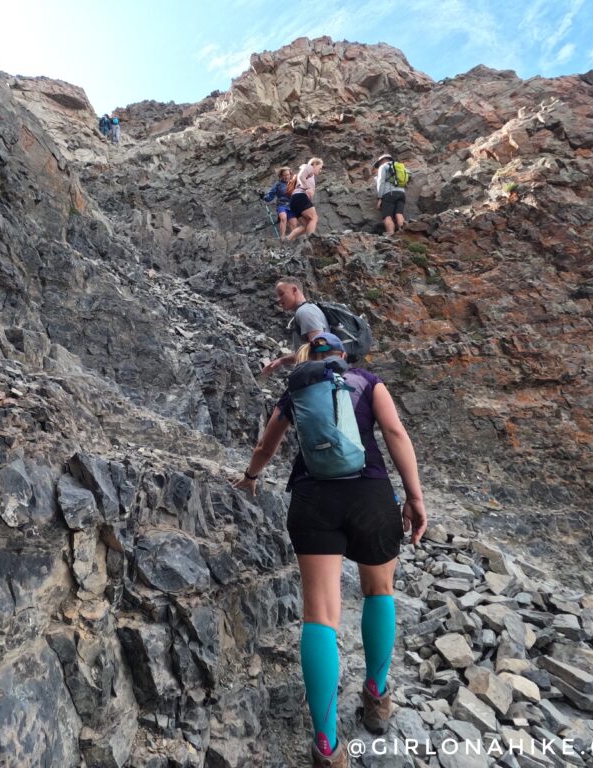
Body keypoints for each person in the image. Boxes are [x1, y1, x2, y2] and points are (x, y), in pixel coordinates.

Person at [234, 333, 427, 766]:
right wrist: (415, 498)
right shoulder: (368, 381)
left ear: (309, 357)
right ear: (344, 355)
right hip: (371, 496)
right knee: (379, 591)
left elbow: (268, 444)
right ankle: (376, 693)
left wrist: (250, 477)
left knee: (319, 616)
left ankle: (326, 744)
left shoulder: (297, 387)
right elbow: (394, 432)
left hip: (313, 500)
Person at [259, 277, 329, 377]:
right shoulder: (310, 309)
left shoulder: (305, 312)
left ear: (294, 290)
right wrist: (281, 361)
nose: (278, 300)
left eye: (281, 294)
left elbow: (320, 347)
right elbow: (310, 350)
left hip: (318, 379)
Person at [286, 157, 324, 241]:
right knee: (314, 218)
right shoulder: (309, 167)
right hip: (300, 197)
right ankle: (312, 240)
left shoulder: (311, 175)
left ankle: (287, 240)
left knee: (306, 225)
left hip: (294, 200)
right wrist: (308, 188)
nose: (320, 171)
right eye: (320, 168)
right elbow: (300, 176)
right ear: (315, 164)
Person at [261, 167, 299, 239]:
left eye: (287, 175)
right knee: (283, 218)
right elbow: (270, 195)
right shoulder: (278, 184)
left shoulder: (294, 183)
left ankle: (294, 242)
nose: (286, 177)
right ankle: (282, 238)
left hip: (292, 206)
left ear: (290, 174)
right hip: (281, 205)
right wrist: (264, 197)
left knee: (294, 225)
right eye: (284, 175)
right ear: (281, 176)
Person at [374, 153, 407, 235]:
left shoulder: (383, 167)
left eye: (379, 163)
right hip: (402, 193)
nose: (379, 165)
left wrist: (379, 198)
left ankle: (390, 235)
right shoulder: (401, 167)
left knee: (387, 216)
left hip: (389, 194)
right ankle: (405, 233)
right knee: (399, 213)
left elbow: (381, 182)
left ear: (382, 160)